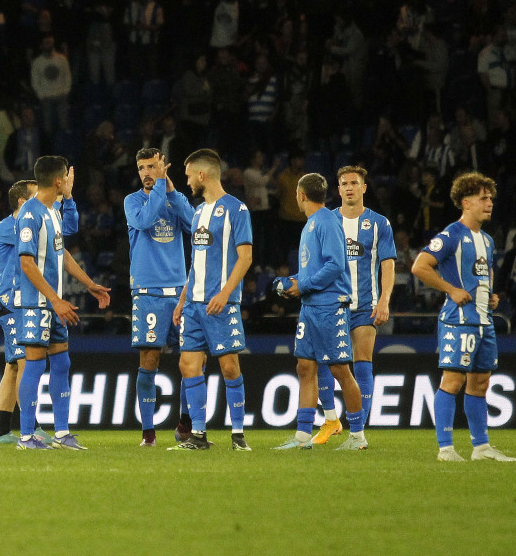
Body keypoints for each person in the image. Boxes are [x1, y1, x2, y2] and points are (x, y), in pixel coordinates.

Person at [411, 172, 516, 462]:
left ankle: (481, 448)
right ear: (466, 203)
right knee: (452, 381)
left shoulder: (488, 240)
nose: (490, 203)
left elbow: (486, 270)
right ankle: (445, 449)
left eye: (491, 198)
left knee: (480, 382)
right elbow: (420, 266)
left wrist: (490, 293)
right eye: (484, 198)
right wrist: (451, 290)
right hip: (459, 319)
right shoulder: (451, 234)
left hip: (484, 320)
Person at [14, 155, 111, 450]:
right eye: (65, 181)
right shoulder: (29, 214)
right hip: (35, 303)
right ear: (58, 180)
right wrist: (55, 300)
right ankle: (26, 436)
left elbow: (63, 252)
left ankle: (61, 433)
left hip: (54, 303)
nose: (67, 183)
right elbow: (27, 264)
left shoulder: (53, 211)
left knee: (61, 362)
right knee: (33, 364)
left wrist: (89, 284)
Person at [272, 172, 367, 451]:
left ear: (301, 195)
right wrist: (293, 282)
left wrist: (302, 285)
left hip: (329, 306)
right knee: (305, 367)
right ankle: (302, 438)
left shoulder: (326, 221)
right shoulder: (312, 224)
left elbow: (336, 265)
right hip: (311, 307)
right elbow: (314, 269)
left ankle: (358, 436)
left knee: (339, 369)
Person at [167, 149, 253, 451]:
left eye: (189, 175)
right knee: (188, 365)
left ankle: (238, 435)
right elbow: (197, 263)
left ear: (202, 175)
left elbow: (246, 257)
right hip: (193, 304)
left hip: (221, 303)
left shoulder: (236, 209)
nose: (187, 181)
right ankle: (199, 436)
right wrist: (182, 300)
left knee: (229, 367)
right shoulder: (199, 212)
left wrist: (225, 293)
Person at [0, 173, 79, 445]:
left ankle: (3, 431)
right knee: (24, 362)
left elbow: (62, 239)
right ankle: (33, 428)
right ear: (22, 201)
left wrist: (68, 196)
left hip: (22, 300)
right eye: (34, 194)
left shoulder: (39, 218)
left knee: (13, 367)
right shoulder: (10, 225)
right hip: (14, 301)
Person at [313, 166, 396, 445]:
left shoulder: (379, 223)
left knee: (361, 365)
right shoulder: (325, 221)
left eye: (354, 183)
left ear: (364, 188)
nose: (349, 187)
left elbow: (388, 264)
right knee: (325, 364)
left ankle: (357, 432)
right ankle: (330, 420)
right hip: (331, 305)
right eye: (344, 184)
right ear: (338, 190)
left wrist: (384, 300)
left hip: (364, 306)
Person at [124, 148, 195, 446]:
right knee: (149, 359)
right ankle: (149, 433)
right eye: (141, 168)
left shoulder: (174, 200)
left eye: (152, 166)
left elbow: (195, 226)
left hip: (180, 292)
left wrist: (173, 191)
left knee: (192, 360)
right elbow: (144, 221)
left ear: (164, 167)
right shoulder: (133, 201)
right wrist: (160, 191)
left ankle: (185, 425)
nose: (146, 172)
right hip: (148, 292)